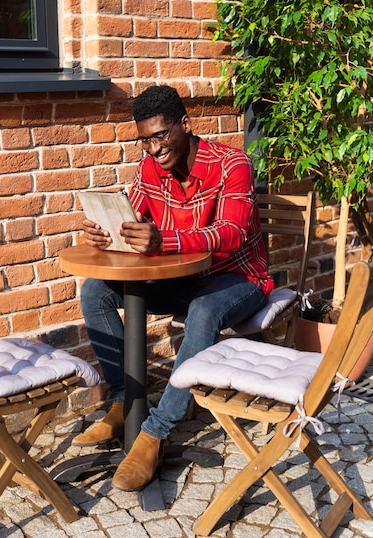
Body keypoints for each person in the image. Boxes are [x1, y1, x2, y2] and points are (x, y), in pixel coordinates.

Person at [73, 85, 274, 491]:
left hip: (239, 279)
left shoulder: (231, 163)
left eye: (161, 135)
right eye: (145, 139)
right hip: (183, 278)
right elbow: (135, 215)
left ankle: (154, 435)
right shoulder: (150, 169)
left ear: (185, 124)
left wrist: (164, 240)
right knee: (96, 290)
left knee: (202, 311)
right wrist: (108, 230)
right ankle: (122, 402)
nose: (153, 148)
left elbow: (232, 232)